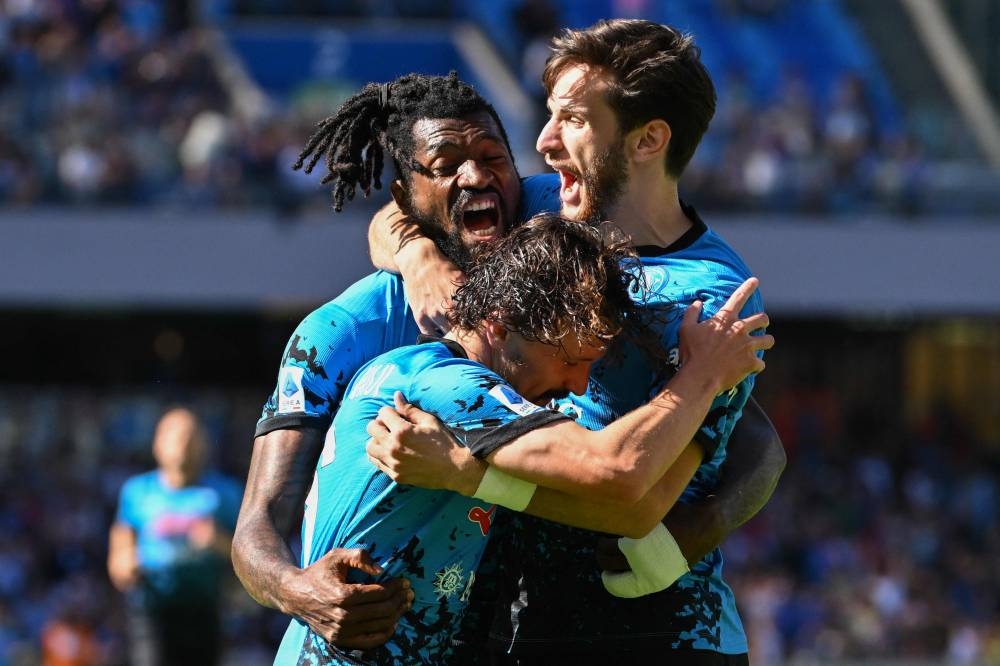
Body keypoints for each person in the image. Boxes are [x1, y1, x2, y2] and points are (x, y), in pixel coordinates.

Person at [365, 19, 782, 664]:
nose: (544, 140)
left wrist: (461, 472)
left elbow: (625, 492)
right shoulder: (548, 209)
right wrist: (420, 256)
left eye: (574, 120)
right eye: (550, 114)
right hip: (511, 626)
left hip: (652, 638)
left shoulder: (705, 300)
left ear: (649, 140)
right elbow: (400, 211)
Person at [274, 213, 772, 664]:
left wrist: (465, 475)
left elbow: (632, 508)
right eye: (571, 360)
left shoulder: (443, 401)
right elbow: (616, 469)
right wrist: (700, 377)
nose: (578, 386)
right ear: (499, 323)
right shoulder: (446, 387)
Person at [232, 72, 569, 650]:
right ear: (403, 199)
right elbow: (256, 527)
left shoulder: (549, 231)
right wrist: (299, 590)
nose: (477, 176)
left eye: (494, 157)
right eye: (445, 167)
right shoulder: (342, 333)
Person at [107, 407, 242, 666]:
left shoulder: (225, 492)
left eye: (191, 436)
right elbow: (118, 559)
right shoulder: (137, 492)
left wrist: (219, 542)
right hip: (152, 611)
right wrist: (128, 566)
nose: (184, 443)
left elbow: (247, 554)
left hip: (204, 610)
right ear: (157, 444)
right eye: (175, 435)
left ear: (204, 444)